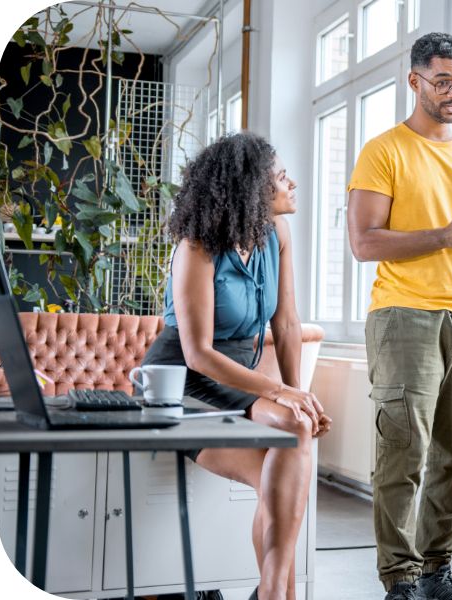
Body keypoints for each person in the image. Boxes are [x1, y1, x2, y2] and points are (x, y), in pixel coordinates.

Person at [346, 32, 452, 600]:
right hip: (404, 316)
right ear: (414, 80)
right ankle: (400, 579)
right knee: (404, 454)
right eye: (441, 80)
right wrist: (445, 235)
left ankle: (438, 571)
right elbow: (364, 243)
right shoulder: (384, 149)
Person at [141, 132, 331, 600]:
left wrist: (296, 391)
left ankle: (270, 590)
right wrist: (280, 393)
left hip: (235, 381)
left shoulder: (276, 235)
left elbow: (286, 324)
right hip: (180, 385)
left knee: (293, 430)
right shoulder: (197, 246)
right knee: (287, 436)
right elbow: (198, 353)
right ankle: (276, 594)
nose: (293, 183)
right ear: (251, 189)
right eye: (282, 176)